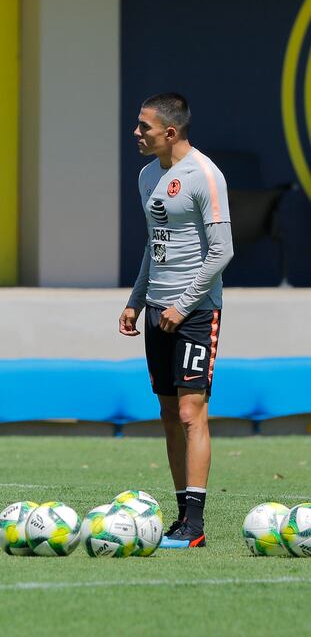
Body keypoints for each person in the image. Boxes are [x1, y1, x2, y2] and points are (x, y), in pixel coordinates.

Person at [120, 92, 233, 548]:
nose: (136, 133)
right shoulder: (148, 175)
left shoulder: (205, 176)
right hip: (156, 311)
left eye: (144, 126)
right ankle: (183, 516)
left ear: (170, 133)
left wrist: (183, 305)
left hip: (195, 312)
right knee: (168, 412)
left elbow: (222, 251)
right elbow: (155, 242)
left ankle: (197, 524)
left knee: (191, 412)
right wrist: (136, 299)